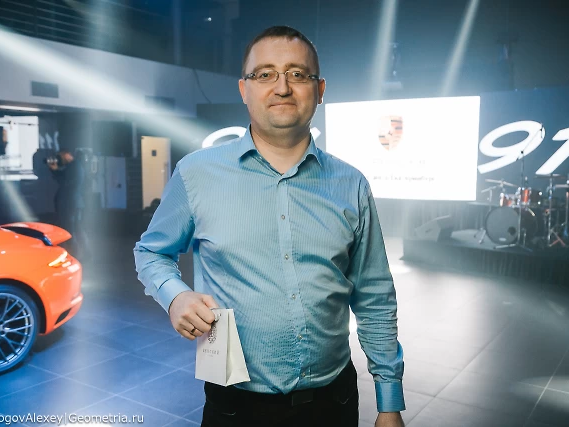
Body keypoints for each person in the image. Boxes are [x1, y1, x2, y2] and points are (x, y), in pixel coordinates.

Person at [134, 25, 405, 427]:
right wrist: (175, 297)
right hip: (235, 406)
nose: (282, 87)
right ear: (244, 89)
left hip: (333, 402)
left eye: (298, 73)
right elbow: (151, 252)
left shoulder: (352, 184)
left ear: (320, 89)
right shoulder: (196, 174)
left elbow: (375, 296)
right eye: (265, 74)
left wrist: (389, 401)